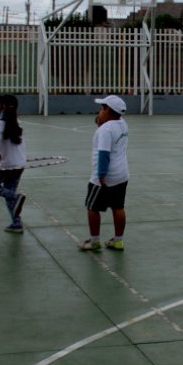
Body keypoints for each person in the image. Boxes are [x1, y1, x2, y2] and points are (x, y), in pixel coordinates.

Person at [80, 95, 130, 251]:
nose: (100, 110)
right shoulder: (122, 124)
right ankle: (118, 240)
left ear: (109, 110)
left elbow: (104, 153)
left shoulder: (105, 130)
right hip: (122, 175)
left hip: (105, 177)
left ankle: (94, 241)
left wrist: (101, 175)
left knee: (92, 207)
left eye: (103, 108)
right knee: (118, 207)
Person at [0, 94, 29, 232]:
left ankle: (16, 197)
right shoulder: (17, 121)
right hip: (19, 164)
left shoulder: (0, 123)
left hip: (8, 165)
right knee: (9, 190)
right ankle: (16, 223)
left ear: (3, 107)